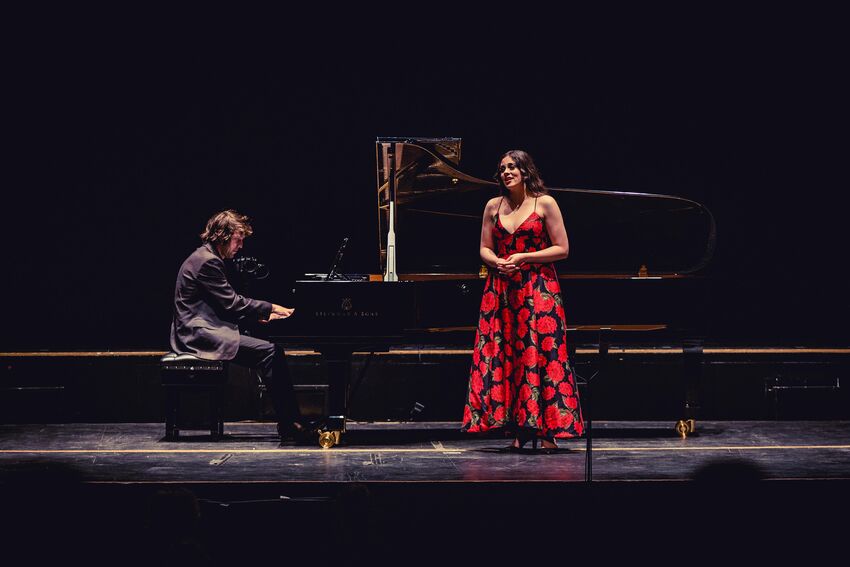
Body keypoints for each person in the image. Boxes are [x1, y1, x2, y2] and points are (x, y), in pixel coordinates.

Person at [461, 150, 584, 450]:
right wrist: (497, 262)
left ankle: (546, 431)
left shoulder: (545, 203)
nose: (506, 172)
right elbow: (484, 248)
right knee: (507, 356)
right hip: (502, 290)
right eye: (502, 168)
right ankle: (517, 429)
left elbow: (563, 248)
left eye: (512, 167)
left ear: (525, 171)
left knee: (540, 354)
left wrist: (525, 257)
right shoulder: (493, 205)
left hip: (538, 290)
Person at [169, 209, 308, 441]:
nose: (241, 246)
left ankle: (291, 422)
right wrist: (271, 307)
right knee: (271, 353)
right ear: (223, 236)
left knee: (272, 352)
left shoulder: (206, 257)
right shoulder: (207, 262)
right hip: (198, 333)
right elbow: (232, 302)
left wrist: (261, 315)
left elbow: (223, 304)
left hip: (204, 327)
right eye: (238, 240)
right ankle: (291, 425)